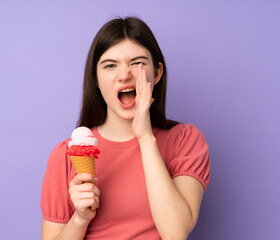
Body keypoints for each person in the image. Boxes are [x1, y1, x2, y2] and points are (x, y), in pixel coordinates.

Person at [40, 17, 210, 240]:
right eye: (110, 65)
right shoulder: (65, 155)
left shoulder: (185, 141)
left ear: (157, 73)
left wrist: (145, 137)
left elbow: (175, 233)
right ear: (96, 79)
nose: (125, 75)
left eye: (137, 62)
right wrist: (80, 219)